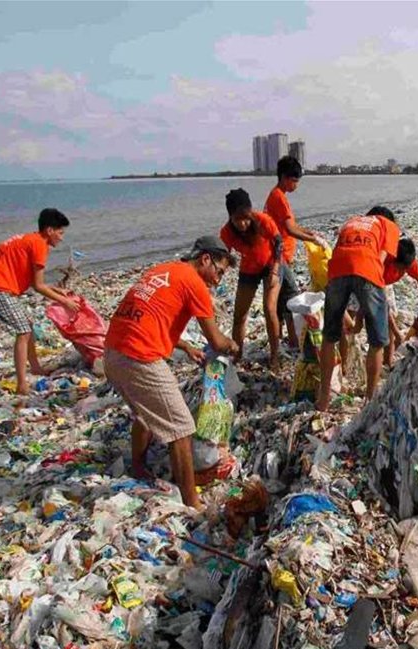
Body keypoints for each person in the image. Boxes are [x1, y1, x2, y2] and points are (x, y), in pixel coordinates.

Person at [103, 236, 239, 512]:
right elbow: (216, 341)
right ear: (205, 259)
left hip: (112, 353)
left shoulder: (161, 271)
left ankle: (139, 468)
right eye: (219, 271)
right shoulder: (194, 284)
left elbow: (148, 314)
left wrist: (185, 346)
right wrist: (233, 346)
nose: (218, 280)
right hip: (139, 357)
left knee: (145, 414)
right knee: (182, 429)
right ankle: (192, 503)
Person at [0, 208, 80, 394]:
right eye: (60, 232)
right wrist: (65, 302)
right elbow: (39, 287)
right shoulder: (40, 246)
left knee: (28, 325)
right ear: (49, 230)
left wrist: (56, 289)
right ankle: (22, 384)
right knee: (23, 330)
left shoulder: (32, 240)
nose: (61, 238)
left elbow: (34, 282)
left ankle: (35, 367)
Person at [316, 205, 401, 411]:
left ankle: (323, 399)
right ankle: (370, 401)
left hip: (336, 269)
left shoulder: (352, 222)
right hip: (367, 269)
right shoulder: (388, 225)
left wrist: (359, 314)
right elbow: (377, 262)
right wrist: (368, 310)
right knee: (378, 340)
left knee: (329, 337)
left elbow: (343, 254)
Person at [264, 156, 327, 349]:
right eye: (294, 180)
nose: (296, 185)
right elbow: (290, 230)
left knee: (285, 301)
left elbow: (291, 225)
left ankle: (291, 338)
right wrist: (313, 239)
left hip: (280, 256)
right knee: (293, 298)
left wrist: (309, 233)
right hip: (278, 258)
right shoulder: (278, 197)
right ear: (284, 177)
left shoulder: (277, 196)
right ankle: (295, 341)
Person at [220, 188, 286, 371]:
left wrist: (275, 269)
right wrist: (217, 275)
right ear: (230, 217)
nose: (243, 223)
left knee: (269, 308)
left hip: (271, 265)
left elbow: (279, 242)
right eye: (237, 219)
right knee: (239, 315)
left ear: (251, 212)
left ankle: (275, 356)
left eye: (246, 217)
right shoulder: (227, 232)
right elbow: (224, 256)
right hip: (249, 269)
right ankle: (236, 355)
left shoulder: (263, 220)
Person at [381, 238, 418, 366]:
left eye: (405, 270)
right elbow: (383, 304)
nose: (402, 273)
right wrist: (397, 333)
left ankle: (388, 362)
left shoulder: (408, 262)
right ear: (394, 260)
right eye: (400, 269)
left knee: (391, 321)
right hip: (370, 282)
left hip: (386, 285)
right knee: (384, 324)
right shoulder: (383, 262)